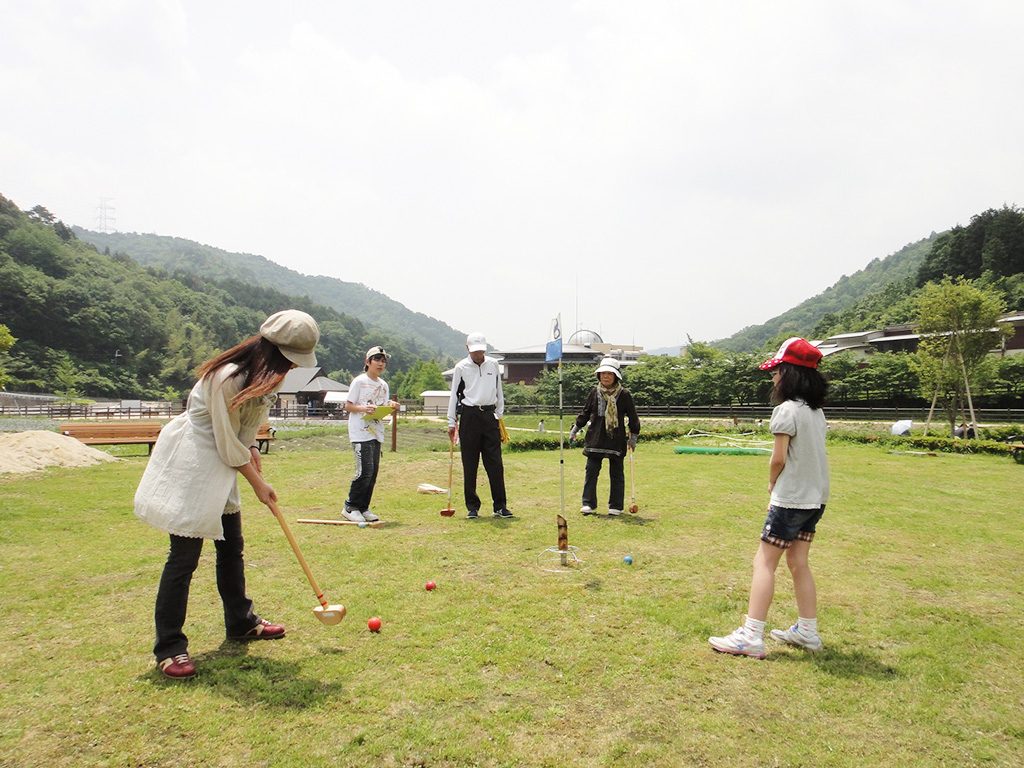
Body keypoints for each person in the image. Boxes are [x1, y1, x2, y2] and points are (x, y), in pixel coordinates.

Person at [135, 309, 320, 680]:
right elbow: (224, 441)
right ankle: (169, 647)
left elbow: (243, 432)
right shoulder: (226, 378)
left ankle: (240, 621)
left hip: (225, 464)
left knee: (231, 547)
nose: (290, 369)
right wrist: (257, 482)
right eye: (288, 361)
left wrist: (251, 449)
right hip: (195, 463)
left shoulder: (264, 380)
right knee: (184, 557)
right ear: (273, 353)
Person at [709, 337, 829, 659]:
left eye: (777, 371)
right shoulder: (816, 413)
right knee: (799, 562)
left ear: (790, 374)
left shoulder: (785, 411)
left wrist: (772, 483)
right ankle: (807, 632)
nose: (773, 377)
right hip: (816, 499)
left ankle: (751, 635)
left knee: (763, 562)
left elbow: (778, 459)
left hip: (790, 499)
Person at [447, 332, 512, 518]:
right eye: (475, 351)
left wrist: (499, 414)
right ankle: (472, 507)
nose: (478, 354)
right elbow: (454, 395)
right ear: (467, 348)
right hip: (470, 416)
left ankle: (500, 506)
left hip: (490, 416)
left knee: (495, 464)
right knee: (470, 463)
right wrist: (451, 421)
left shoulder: (493, 364)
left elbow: (498, 389)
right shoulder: (461, 367)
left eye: (481, 351)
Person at [568, 357, 640, 516]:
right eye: (603, 373)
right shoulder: (594, 392)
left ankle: (616, 506)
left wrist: (633, 437)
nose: (606, 376)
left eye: (609, 373)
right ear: (598, 375)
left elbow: (633, 417)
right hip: (595, 437)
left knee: (616, 473)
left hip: (616, 438)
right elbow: (585, 413)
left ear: (616, 376)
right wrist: (575, 429)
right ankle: (588, 504)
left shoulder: (624, 394)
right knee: (591, 471)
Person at [342, 346, 400, 523]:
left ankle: (363, 507)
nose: (381, 363)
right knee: (364, 471)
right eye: (377, 359)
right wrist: (364, 408)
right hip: (360, 432)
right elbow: (348, 405)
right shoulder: (359, 381)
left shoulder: (383, 385)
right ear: (367, 362)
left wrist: (391, 406)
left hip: (376, 431)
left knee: (373, 472)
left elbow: (382, 406)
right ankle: (350, 507)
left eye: (383, 361)